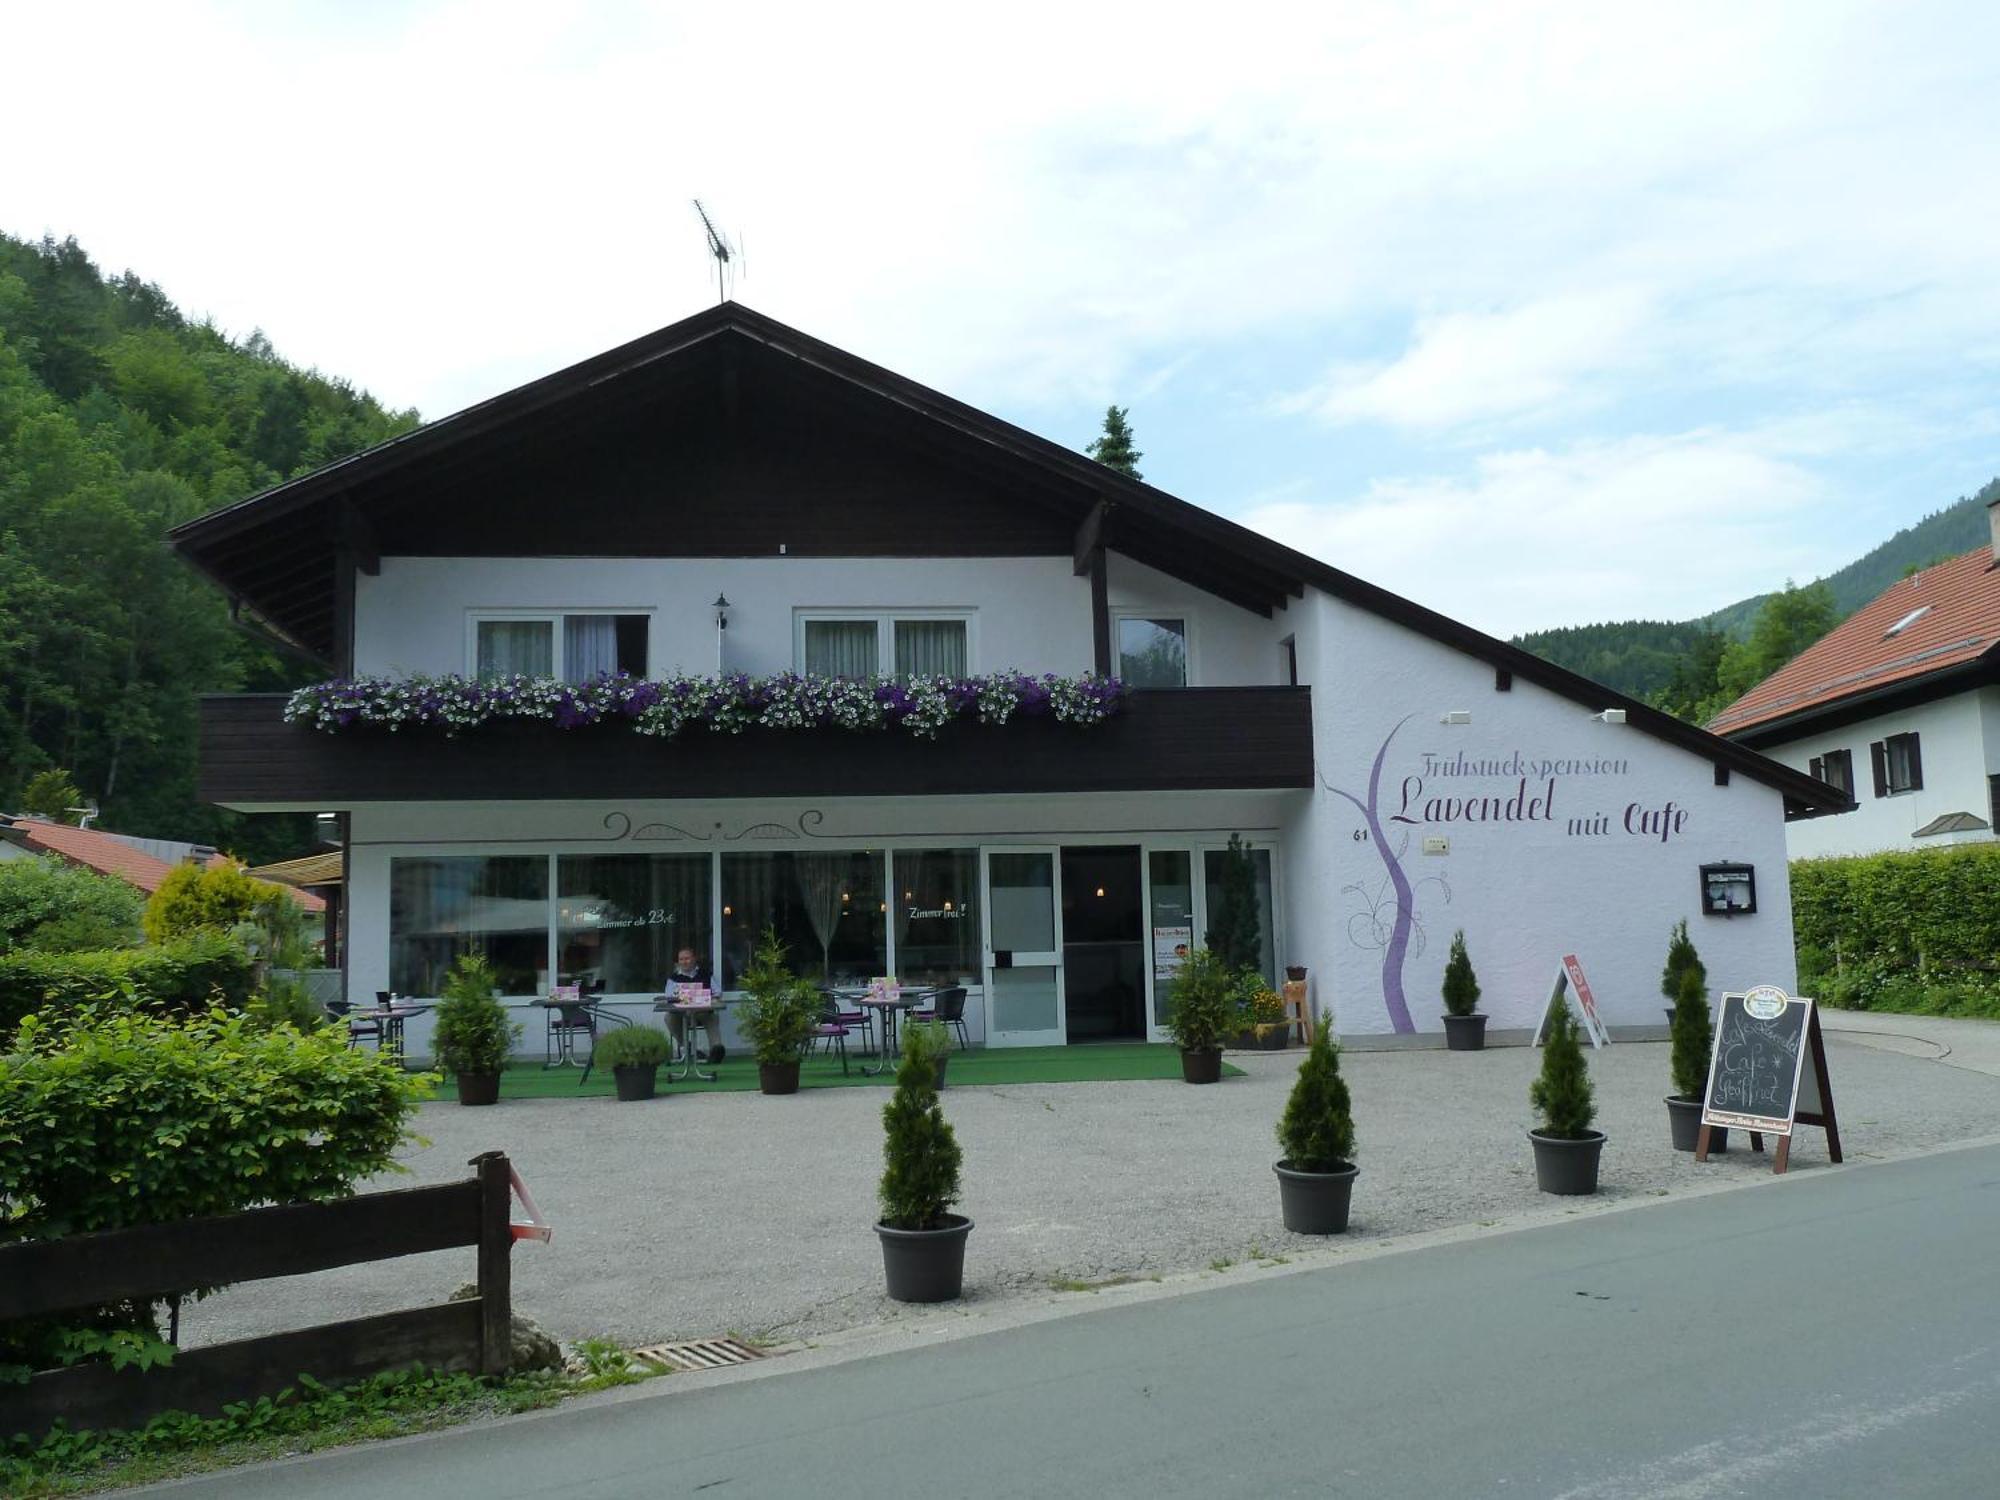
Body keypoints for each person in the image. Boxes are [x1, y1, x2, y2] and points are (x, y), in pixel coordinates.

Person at [665, 945, 725, 1064]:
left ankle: (716, 1050)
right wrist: (694, 996)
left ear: (694, 959)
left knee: (712, 1017)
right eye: (681, 959)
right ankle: (689, 1049)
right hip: (682, 1014)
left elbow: (718, 992)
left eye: (687, 958)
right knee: (669, 1018)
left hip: (702, 1012)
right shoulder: (673, 978)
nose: (684, 962)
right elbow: (669, 997)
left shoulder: (706, 974)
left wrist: (705, 998)